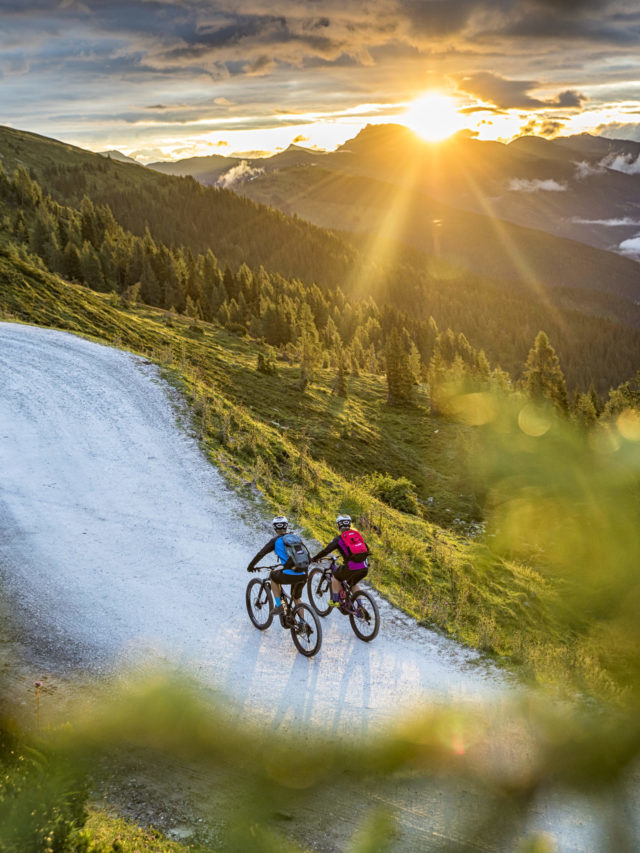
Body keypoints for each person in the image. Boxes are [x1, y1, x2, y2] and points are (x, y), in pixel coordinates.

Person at [246, 515, 309, 616]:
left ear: (275, 527)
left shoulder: (275, 541)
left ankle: (279, 605)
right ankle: (303, 624)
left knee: (273, 576)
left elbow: (261, 554)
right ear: (286, 526)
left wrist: (251, 566)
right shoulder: (296, 538)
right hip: (304, 573)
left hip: (290, 574)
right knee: (297, 598)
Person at [310, 514, 369, 607]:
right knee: (353, 583)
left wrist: (314, 558)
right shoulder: (357, 535)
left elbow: (326, 550)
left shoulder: (339, 539)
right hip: (364, 567)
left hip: (351, 567)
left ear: (338, 525)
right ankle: (360, 606)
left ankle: (335, 601)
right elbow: (366, 549)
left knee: (336, 578)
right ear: (350, 524)